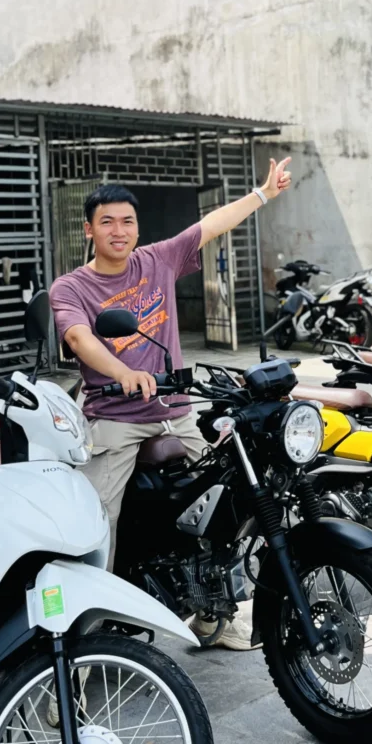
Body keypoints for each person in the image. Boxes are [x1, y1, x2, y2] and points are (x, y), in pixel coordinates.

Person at [49, 158, 292, 654]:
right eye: (108, 222)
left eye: (128, 221)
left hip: (176, 410)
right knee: (95, 524)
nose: (120, 231)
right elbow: (78, 337)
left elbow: (211, 225)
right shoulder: (71, 287)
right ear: (89, 229)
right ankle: (77, 650)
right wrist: (123, 373)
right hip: (113, 417)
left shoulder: (158, 259)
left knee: (230, 492)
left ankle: (213, 613)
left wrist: (263, 194)